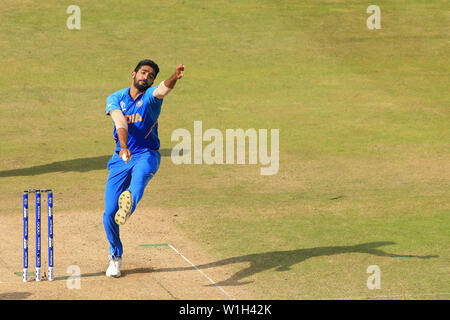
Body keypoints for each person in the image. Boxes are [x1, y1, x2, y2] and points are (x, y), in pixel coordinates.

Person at [103, 59, 184, 277]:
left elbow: (161, 91)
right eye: (143, 73)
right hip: (121, 156)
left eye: (150, 76)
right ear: (133, 73)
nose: (145, 77)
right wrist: (123, 147)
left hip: (147, 155)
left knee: (136, 184)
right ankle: (115, 257)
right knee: (108, 214)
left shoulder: (150, 98)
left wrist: (174, 78)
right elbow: (120, 123)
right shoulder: (115, 98)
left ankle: (128, 202)